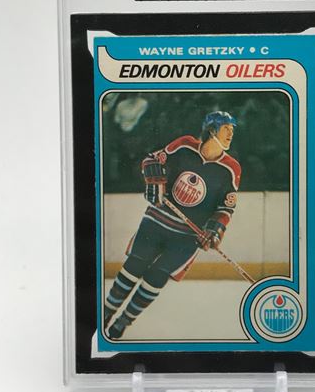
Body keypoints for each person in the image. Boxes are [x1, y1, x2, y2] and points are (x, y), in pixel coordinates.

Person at [104, 111, 242, 339]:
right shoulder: (185, 145)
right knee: (134, 265)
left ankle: (124, 321)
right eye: (226, 128)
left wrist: (215, 229)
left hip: (187, 237)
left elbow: (226, 208)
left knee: (156, 277)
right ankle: (106, 312)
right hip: (157, 220)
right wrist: (153, 179)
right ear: (212, 130)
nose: (231, 134)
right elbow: (151, 160)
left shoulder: (231, 168)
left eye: (232, 130)